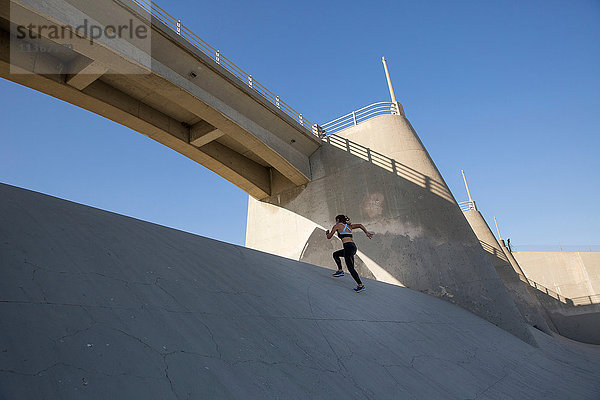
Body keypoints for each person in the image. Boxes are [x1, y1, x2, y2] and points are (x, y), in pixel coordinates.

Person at [325, 214, 373, 293]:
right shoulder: (349, 226)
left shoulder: (337, 226)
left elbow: (329, 237)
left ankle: (360, 285)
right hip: (352, 247)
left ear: (337, 220)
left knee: (351, 268)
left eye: (336, 220)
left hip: (348, 247)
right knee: (336, 254)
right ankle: (340, 270)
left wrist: (327, 233)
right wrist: (366, 232)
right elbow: (360, 225)